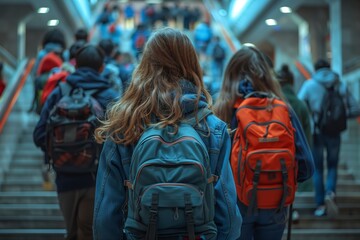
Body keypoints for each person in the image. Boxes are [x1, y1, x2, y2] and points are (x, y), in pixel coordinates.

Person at [93, 27, 242, 240]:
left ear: (145, 64)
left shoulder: (124, 125)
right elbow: (227, 213)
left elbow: (105, 217)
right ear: (192, 63)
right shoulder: (213, 128)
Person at [213, 45, 314, 240]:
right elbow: (307, 167)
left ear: (230, 76)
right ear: (267, 76)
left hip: (235, 203)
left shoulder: (222, 112)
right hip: (277, 200)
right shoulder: (283, 109)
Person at [33, 45, 119, 240]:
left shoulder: (60, 92)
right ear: (101, 68)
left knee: (71, 233)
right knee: (90, 233)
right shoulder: (111, 96)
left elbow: (39, 134)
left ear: (75, 65)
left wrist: (60, 150)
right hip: (99, 179)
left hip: (65, 176)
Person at [298, 59, 360, 217]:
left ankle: (320, 206)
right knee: (333, 166)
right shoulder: (340, 84)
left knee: (318, 169)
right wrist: (341, 117)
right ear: (329, 68)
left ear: (315, 69)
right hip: (335, 132)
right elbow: (356, 108)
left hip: (316, 132)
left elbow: (299, 107)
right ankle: (330, 192)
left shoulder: (309, 85)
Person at [277, 64, 313, 223]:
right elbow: (307, 136)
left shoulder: (275, 104)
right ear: (292, 83)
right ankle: (293, 210)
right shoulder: (299, 104)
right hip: (294, 156)